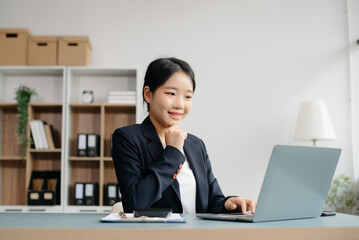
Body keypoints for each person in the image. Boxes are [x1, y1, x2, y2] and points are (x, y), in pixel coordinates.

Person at [112, 57, 257, 214]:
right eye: (171, 93)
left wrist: (227, 203)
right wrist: (173, 152)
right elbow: (134, 203)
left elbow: (211, 200)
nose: (180, 104)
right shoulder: (127, 138)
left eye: (188, 96)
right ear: (148, 94)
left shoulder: (196, 144)